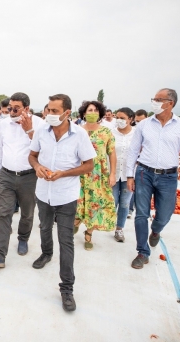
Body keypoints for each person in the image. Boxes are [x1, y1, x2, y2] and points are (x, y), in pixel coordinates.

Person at [28, 94, 95, 312]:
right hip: (43, 193)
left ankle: (67, 288)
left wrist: (63, 174)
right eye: (47, 110)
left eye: (54, 111)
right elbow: (32, 155)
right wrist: (37, 167)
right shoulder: (41, 131)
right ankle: (46, 253)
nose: (49, 114)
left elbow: (88, 166)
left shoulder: (80, 135)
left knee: (65, 240)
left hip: (65, 195)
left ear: (67, 113)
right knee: (44, 227)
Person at [127, 88, 180, 269]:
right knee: (141, 214)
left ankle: (156, 230)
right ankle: (142, 252)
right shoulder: (144, 125)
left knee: (165, 214)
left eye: (159, 99)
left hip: (168, 176)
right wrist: (129, 174)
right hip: (144, 173)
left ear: (170, 103)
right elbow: (133, 150)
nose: (154, 102)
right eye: (154, 99)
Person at [0, 92, 44, 268]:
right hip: (7, 175)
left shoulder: (39, 124)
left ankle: (23, 239)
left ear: (26, 108)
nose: (11, 111)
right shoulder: (3, 124)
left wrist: (29, 130)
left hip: (29, 177)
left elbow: (43, 148)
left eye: (16, 108)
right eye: (10, 108)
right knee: (4, 213)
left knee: (27, 213)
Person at [74, 100, 117, 251]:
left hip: (98, 174)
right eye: (89, 110)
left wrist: (112, 174)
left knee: (95, 203)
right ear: (84, 113)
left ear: (100, 113)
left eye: (95, 110)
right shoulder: (77, 130)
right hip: (79, 172)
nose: (92, 113)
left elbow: (111, 153)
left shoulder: (106, 132)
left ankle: (89, 233)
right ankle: (76, 222)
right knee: (77, 201)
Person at [111, 107, 136, 243]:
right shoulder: (111, 133)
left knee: (125, 203)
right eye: (118, 118)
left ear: (130, 119)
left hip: (129, 175)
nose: (119, 120)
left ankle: (119, 229)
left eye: (122, 118)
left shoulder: (137, 134)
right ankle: (109, 223)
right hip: (113, 173)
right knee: (113, 201)